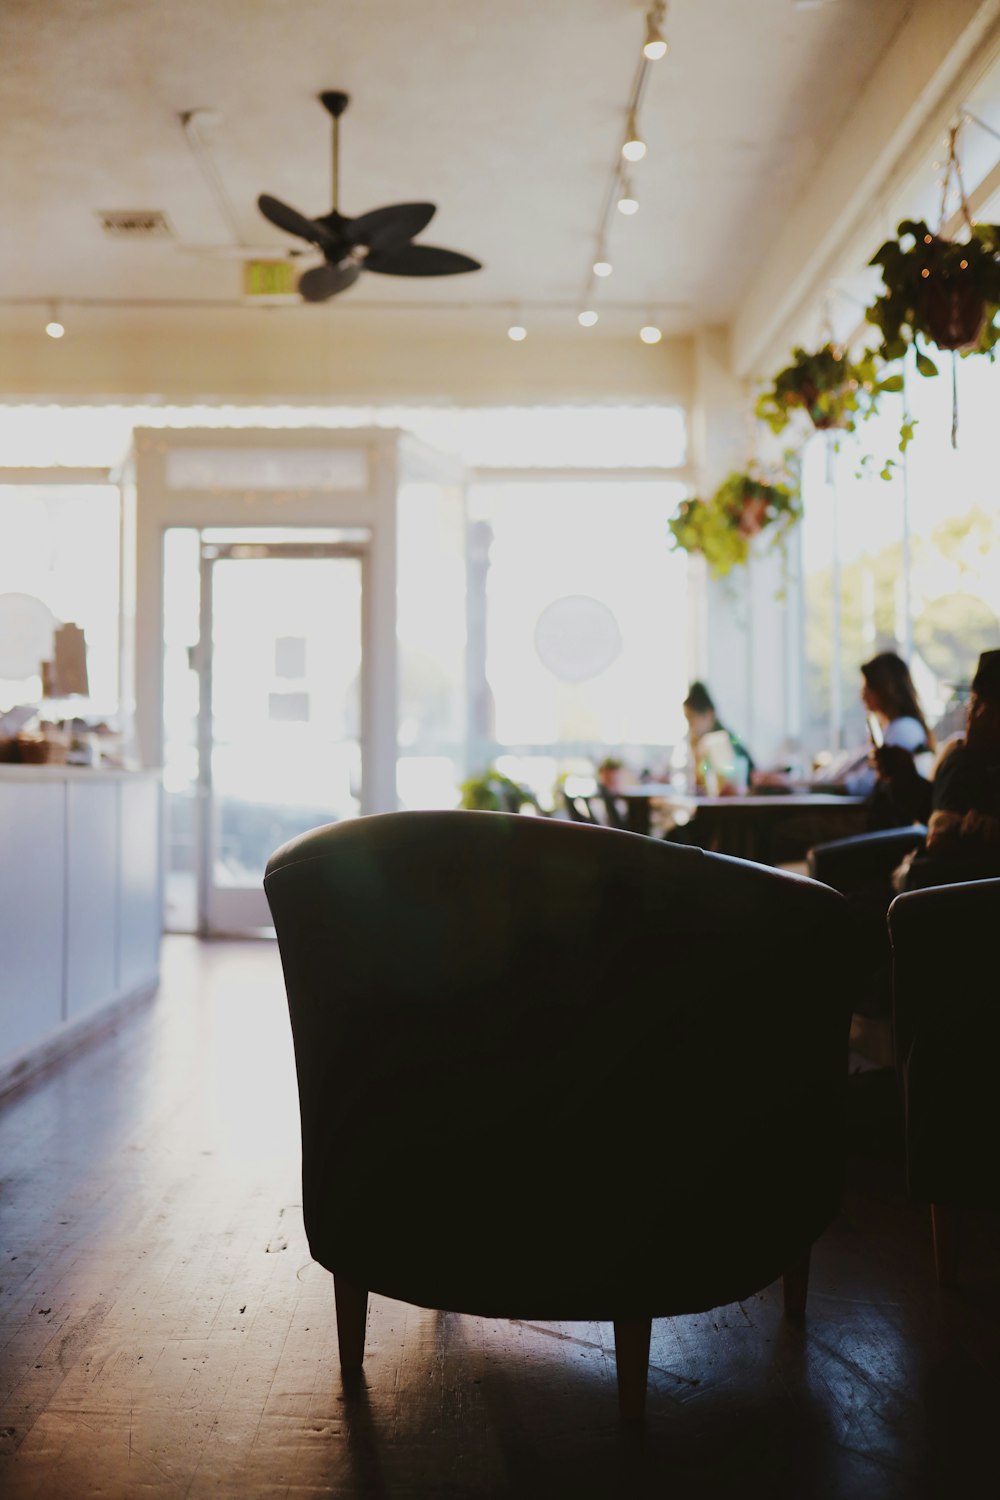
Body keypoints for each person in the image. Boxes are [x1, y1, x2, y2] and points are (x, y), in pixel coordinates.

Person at [896, 648, 1000, 890]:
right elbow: (936, 813)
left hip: (959, 898)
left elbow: (939, 842)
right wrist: (903, 778)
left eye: (976, 703)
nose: (971, 714)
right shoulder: (965, 756)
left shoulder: (964, 759)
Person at [681, 681, 754, 794]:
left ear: (709, 714)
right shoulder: (698, 741)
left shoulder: (722, 740)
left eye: (692, 719)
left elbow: (725, 781)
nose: (691, 727)